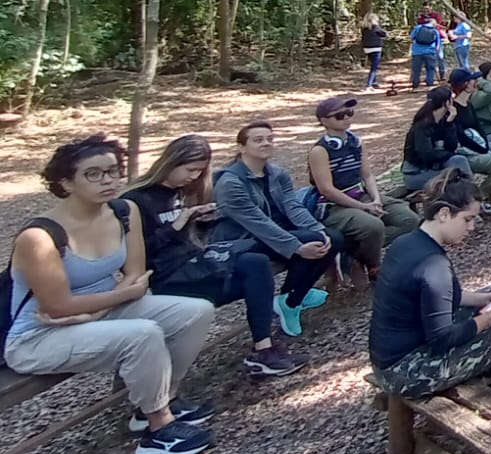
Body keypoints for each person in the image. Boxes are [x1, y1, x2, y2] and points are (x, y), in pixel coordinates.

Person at [5, 135, 218, 454]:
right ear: (66, 183)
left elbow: (136, 274)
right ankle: (158, 430)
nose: (107, 180)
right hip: (40, 335)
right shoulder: (40, 236)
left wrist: (103, 307)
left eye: (112, 171)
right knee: (143, 334)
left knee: (195, 311)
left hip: (100, 311)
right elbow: (57, 307)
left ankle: (160, 400)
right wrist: (122, 295)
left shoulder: (123, 211)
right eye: (93, 174)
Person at [123, 134, 305, 378]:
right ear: (171, 162)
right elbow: (136, 254)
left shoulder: (179, 192)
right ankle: (264, 349)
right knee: (255, 272)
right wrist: (177, 225)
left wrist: (200, 220)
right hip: (168, 279)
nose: (194, 176)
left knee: (255, 261)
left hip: (195, 264)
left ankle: (263, 349)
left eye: (199, 171)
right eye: (190, 169)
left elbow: (185, 236)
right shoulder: (135, 201)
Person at [368, 173, 491, 401]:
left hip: (389, 359)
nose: (471, 227)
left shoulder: (406, 243)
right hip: (407, 372)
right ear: (444, 214)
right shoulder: (434, 266)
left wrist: (483, 299)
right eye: (467, 219)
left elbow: (434, 299)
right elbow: (443, 338)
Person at [211, 122, 340, 337]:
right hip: (245, 241)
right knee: (313, 240)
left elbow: (293, 206)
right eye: (258, 140)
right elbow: (258, 223)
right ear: (242, 147)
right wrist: (296, 246)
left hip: (278, 234)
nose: (266, 143)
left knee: (332, 238)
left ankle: (290, 299)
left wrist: (319, 229)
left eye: (270, 139)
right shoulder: (230, 182)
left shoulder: (277, 173)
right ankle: (294, 299)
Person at [308, 95, 421, 282]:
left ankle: (354, 252)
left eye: (349, 113)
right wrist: (364, 207)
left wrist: (375, 199)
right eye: (339, 115)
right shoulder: (319, 151)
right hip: (334, 206)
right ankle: (374, 265)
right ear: (324, 121)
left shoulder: (356, 142)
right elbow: (327, 190)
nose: (346, 117)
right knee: (373, 226)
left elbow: (367, 175)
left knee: (408, 219)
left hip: (362, 195)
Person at [402, 86, 477, 194]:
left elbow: (451, 146)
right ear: (447, 103)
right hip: (417, 174)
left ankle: (472, 197)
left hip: (433, 168)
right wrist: (451, 154)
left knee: (459, 161)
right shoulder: (422, 126)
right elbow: (427, 155)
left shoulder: (443, 120)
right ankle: (472, 198)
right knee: (455, 177)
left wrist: (450, 122)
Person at [409, 13, 444, 90]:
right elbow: (438, 44)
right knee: (430, 69)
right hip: (430, 52)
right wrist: (436, 51)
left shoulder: (418, 28)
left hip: (417, 52)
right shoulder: (435, 31)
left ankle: (415, 85)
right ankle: (429, 84)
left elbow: (411, 38)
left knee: (416, 69)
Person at [360, 13, 388, 91]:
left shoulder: (365, 29)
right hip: (376, 48)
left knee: (372, 65)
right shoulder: (375, 27)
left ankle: (374, 82)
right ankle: (369, 85)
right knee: (374, 68)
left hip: (367, 49)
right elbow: (384, 34)